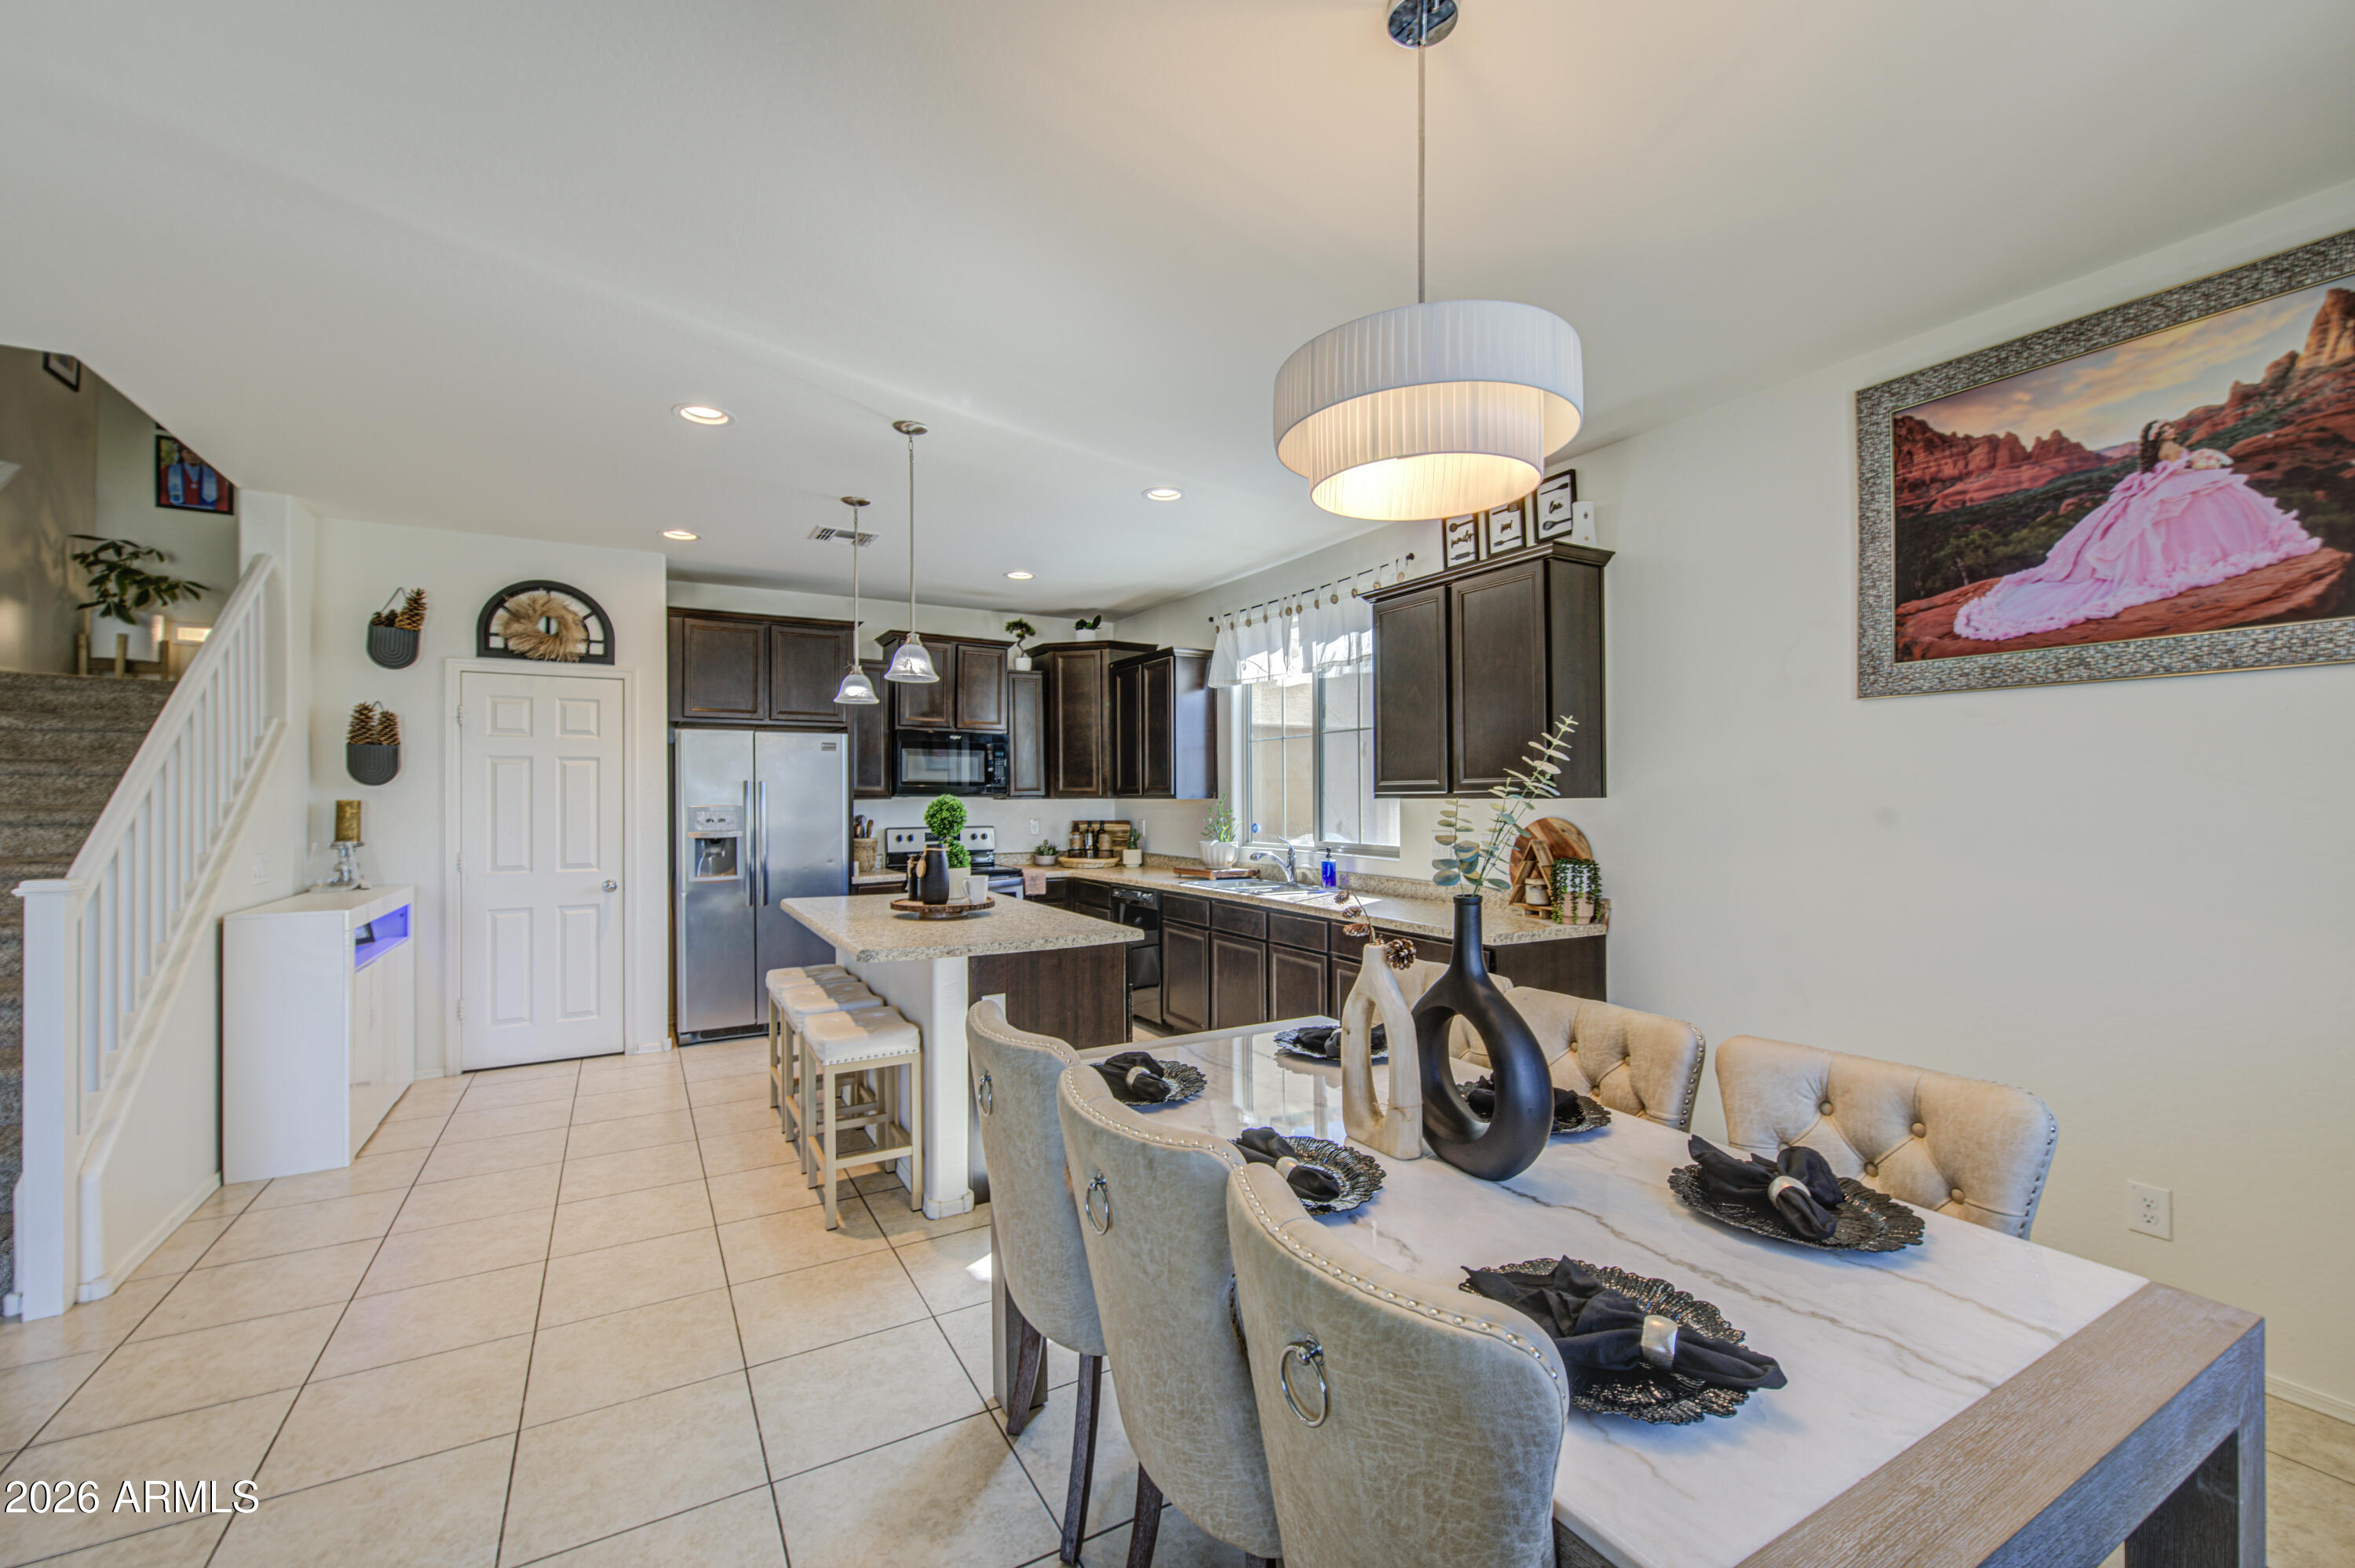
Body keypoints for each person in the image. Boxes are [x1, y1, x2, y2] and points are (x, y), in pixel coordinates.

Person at [1952, 420, 2320, 640]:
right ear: (2159, 439)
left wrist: (2201, 464)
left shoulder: (2171, 451)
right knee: (2155, 527)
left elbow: (2175, 467)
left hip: (2171, 484)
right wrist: (2195, 466)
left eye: (2171, 432)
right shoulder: (2169, 453)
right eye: (2167, 433)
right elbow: (2172, 469)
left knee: (2186, 516)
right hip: (2168, 485)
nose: (2173, 436)